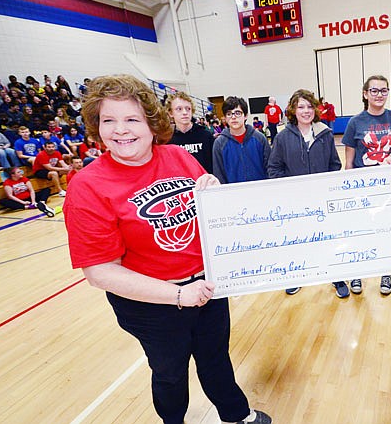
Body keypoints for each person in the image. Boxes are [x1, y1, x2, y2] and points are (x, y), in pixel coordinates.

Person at [63, 74, 271, 424]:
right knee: (170, 373)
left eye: (131, 119)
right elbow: (99, 271)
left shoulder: (177, 156)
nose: (121, 130)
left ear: (151, 122)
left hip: (207, 286)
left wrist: (213, 191)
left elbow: (209, 216)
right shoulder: (87, 186)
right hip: (151, 305)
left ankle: (236, 415)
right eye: (108, 120)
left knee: (216, 358)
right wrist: (177, 295)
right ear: (96, 126)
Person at [267, 89, 343, 297]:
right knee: (296, 240)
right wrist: (292, 190)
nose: (306, 110)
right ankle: (295, 276)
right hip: (295, 202)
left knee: (328, 238)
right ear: (293, 109)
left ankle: (336, 276)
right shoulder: (282, 137)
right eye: (301, 106)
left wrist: (325, 188)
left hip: (322, 199)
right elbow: (274, 168)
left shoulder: (325, 134)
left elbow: (335, 164)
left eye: (310, 106)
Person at [342, 75, 391, 296]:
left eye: (383, 90)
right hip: (364, 187)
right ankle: (357, 272)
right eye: (374, 90)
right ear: (365, 94)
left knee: (387, 229)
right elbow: (349, 162)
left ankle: (386, 271)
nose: (379, 95)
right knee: (360, 230)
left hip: (390, 187)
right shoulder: (355, 123)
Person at [212, 96, 270, 184]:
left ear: (245, 115)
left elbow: (269, 168)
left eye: (237, 113)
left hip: (260, 191)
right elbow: (219, 174)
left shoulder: (260, 138)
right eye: (229, 114)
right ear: (225, 118)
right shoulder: (219, 143)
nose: (233, 117)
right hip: (233, 194)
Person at [166, 92, 215, 173]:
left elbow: (213, 166)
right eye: (179, 109)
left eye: (188, 108)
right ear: (171, 113)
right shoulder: (167, 139)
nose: (185, 112)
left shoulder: (205, 135)